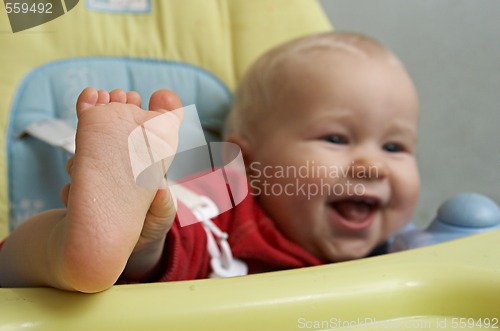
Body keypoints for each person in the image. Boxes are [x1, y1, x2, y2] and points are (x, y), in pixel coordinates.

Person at [0, 31, 420, 292]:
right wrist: (147, 239)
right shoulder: (227, 195)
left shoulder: (398, 252)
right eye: (336, 138)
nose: (373, 166)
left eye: (395, 147)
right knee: (140, 240)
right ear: (248, 161)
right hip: (82, 276)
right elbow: (192, 237)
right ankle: (114, 233)